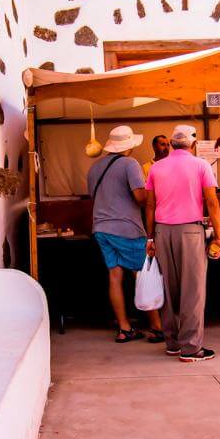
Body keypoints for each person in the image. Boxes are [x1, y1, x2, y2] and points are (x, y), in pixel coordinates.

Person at [145, 125, 220, 362]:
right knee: (193, 290)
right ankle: (191, 348)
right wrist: (218, 236)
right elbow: (212, 202)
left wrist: (150, 237)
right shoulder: (201, 165)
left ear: (171, 143)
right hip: (190, 231)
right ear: (193, 143)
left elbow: (149, 205)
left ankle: (172, 342)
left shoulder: (156, 168)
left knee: (168, 288)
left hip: (161, 231)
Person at [86, 125, 163, 343]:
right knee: (142, 274)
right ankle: (157, 326)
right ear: (129, 145)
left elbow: (93, 195)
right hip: (127, 228)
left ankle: (124, 328)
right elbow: (140, 198)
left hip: (100, 228)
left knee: (115, 276)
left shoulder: (94, 167)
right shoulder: (130, 164)